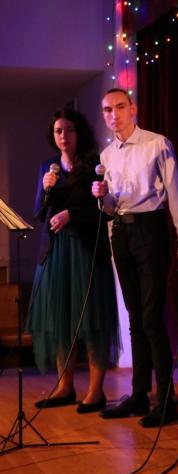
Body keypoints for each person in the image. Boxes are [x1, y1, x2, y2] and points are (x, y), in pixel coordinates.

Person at [92, 88, 178, 427]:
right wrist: (101, 197)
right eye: (107, 110)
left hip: (150, 230)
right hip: (121, 231)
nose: (114, 114)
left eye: (120, 107)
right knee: (135, 318)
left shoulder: (156, 144)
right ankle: (138, 395)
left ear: (132, 109)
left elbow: (176, 196)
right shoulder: (106, 155)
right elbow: (109, 209)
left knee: (151, 318)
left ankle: (166, 401)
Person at [27, 109, 120, 414]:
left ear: (79, 132)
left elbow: (103, 210)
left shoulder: (94, 164)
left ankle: (95, 391)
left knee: (91, 319)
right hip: (56, 252)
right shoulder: (48, 167)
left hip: (85, 250)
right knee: (60, 320)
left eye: (69, 130)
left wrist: (71, 214)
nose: (63, 136)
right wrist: (45, 189)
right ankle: (65, 387)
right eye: (58, 131)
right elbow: (39, 212)